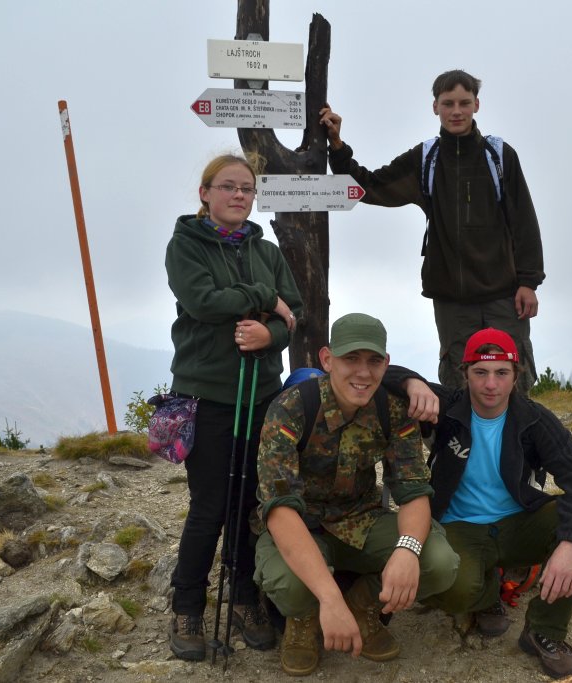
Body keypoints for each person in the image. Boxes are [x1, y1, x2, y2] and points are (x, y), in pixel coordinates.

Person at [382, 328, 572, 679]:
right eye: (480, 372)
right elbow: (382, 373)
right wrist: (413, 383)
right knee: (449, 591)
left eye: (501, 372)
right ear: (465, 373)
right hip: (458, 526)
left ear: (516, 375)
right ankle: (487, 596)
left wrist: (571, 544)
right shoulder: (448, 406)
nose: (490, 384)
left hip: (518, 523)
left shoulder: (534, 419)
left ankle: (544, 630)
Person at [253, 313, 459, 676]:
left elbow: (413, 490)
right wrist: (328, 598)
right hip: (302, 526)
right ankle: (304, 619)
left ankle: (362, 607)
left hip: (361, 521)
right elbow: (280, 510)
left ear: (386, 364)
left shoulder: (393, 410)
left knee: (438, 562)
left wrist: (407, 550)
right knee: (289, 584)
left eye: (373, 361)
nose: (363, 372)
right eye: (351, 358)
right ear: (327, 359)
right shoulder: (291, 409)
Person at [319, 70, 544, 393]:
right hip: (452, 300)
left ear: (477, 105)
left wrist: (528, 282)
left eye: (464, 103)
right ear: (435, 106)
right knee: (460, 384)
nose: (457, 111)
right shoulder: (426, 159)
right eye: (448, 103)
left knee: (512, 379)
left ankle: (517, 429)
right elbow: (370, 185)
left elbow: (524, 221)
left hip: (505, 296)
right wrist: (337, 146)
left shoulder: (499, 156)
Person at [165, 152, 304, 661]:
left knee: (250, 504)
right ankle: (187, 606)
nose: (239, 195)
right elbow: (203, 302)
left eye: (246, 188)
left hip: (262, 392)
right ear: (205, 193)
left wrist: (271, 335)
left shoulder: (265, 249)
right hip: (207, 394)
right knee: (209, 505)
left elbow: (294, 313)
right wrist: (265, 296)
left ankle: (245, 596)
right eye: (227, 186)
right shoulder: (186, 244)